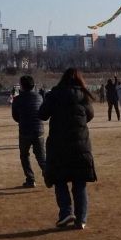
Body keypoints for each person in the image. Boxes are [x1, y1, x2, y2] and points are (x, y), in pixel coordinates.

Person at [38, 68, 96, 230]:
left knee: (60, 180)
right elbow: (90, 115)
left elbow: (42, 114)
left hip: (58, 144)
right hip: (80, 144)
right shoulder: (83, 95)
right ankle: (81, 218)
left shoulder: (54, 95)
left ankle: (65, 213)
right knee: (79, 183)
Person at [11, 75, 46, 188]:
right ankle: (49, 177)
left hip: (25, 131)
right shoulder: (40, 97)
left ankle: (30, 180)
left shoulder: (17, 99)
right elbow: (43, 112)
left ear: (21, 86)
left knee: (24, 155)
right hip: (39, 130)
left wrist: (23, 120)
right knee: (41, 156)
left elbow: (15, 117)